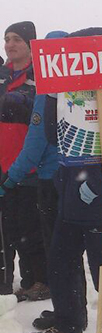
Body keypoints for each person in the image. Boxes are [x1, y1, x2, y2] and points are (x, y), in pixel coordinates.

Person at [26, 28, 102, 333]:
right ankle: (70, 323)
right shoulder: (70, 94)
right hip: (69, 198)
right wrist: (51, 92)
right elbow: (51, 135)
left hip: (100, 202)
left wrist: (98, 186)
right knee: (60, 263)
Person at [0, 21, 48, 300]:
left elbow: (41, 115)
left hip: (29, 166)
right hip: (2, 163)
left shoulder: (39, 77)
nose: (10, 44)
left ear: (31, 45)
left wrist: (16, 101)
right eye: (7, 39)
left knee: (29, 229)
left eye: (17, 39)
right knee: (7, 230)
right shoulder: (3, 76)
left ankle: (37, 281)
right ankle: (8, 282)